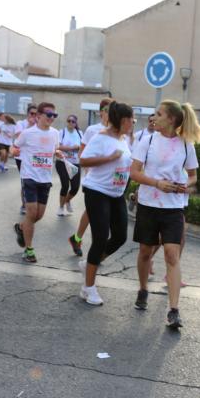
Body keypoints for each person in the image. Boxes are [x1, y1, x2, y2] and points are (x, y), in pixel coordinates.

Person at [130, 99, 200, 329]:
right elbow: (134, 173)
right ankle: (143, 289)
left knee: (172, 254)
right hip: (148, 204)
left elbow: (193, 176)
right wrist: (156, 183)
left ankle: (174, 310)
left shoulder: (185, 145)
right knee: (145, 252)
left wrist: (185, 184)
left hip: (173, 207)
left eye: (159, 114)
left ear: (171, 119)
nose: (154, 117)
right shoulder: (147, 140)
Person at [77, 101, 133, 305]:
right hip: (97, 191)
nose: (133, 122)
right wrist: (108, 158)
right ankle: (88, 288)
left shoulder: (124, 138)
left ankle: (90, 263)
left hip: (116, 193)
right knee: (100, 238)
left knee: (119, 237)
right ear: (122, 120)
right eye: (130, 119)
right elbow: (83, 160)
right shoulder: (100, 138)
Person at [12, 102, 61, 263]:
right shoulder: (27, 133)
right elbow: (14, 147)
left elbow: (54, 149)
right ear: (38, 116)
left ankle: (21, 227)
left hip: (45, 179)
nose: (51, 118)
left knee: (39, 216)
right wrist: (14, 151)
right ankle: (29, 249)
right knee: (32, 213)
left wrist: (58, 153)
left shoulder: (55, 133)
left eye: (54, 115)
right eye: (49, 114)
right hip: (30, 177)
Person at [68, 97, 113, 256]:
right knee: (97, 214)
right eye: (108, 110)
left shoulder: (119, 130)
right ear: (101, 113)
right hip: (94, 179)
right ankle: (96, 251)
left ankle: (77, 238)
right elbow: (82, 154)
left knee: (93, 212)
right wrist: (90, 168)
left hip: (111, 182)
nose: (111, 113)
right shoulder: (93, 130)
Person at [55, 114, 82, 216]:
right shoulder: (61, 132)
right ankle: (61, 207)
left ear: (76, 123)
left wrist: (79, 148)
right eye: (69, 121)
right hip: (62, 162)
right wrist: (71, 148)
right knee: (65, 185)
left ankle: (67, 200)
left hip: (75, 163)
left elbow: (83, 146)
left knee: (75, 187)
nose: (71, 123)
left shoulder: (79, 133)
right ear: (67, 122)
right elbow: (58, 146)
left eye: (73, 121)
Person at [15, 104, 38, 214]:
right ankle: (24, 204)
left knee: (35, 181)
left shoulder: (39, 125)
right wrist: (30, 125)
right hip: (21, 157)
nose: (33, 116)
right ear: (28, 114)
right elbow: (19, 137)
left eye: (36, 114)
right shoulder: (21, 124)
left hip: (34, 157)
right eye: (31, 113)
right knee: (25, 181)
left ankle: (32, 202)